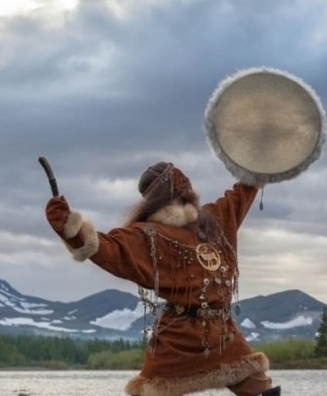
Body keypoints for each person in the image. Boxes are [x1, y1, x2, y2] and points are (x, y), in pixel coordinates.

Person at [45, 162, 280, 396]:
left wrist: (260, 154)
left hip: (222, 334)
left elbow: (243, 191)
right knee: (150, 391)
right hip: (178, 337)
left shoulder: (214, 220)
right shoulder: (148, 235)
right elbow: (108, 247)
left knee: (258, 387)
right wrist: (70, 227)